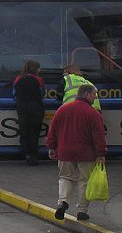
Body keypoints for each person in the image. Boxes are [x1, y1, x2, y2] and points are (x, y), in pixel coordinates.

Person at [46, 84, 107, 221]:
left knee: (66, 177)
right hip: (86, 154)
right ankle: (81, 211)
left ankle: (63, 202)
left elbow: (53, 130)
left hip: (65, 152)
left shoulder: (63, 109)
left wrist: (51, 147)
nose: (95, 97)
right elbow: (99, 136)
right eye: (93, 94)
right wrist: (101, 154)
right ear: (85, 94)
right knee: (84, 181)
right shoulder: (93, 113)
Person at [13, 60, 45, 166]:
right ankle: (33, 156)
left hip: (22, 108)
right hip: (36, 108)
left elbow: (14, 93)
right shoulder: (39, 79)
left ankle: (26, 153)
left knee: (24, 132)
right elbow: (42, 93)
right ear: (36, 69)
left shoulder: (18, 79)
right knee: (34, 133)